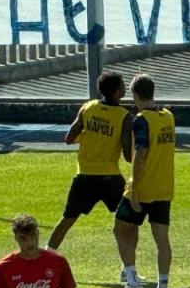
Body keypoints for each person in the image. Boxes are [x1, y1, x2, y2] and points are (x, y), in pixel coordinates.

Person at [46, 72, 133, 252]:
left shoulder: (88, 108)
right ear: (117, 91)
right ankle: (128, 269)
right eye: (123, 86)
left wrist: (90, 134)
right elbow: (127, 156)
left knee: (67, 219)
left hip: (84, 176)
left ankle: (47, 256)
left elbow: (69, 138)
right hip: (110, 177)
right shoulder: (124, 116)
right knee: (128, 222)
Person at [113, 74, 176, 288]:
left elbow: (140, 155)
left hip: (144, 188)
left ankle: (132, 281)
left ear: (135, 94)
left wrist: (136, 191)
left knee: (120, 229)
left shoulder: (141, 120)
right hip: (164, 187)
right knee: (162, 239)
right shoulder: (168, 116)